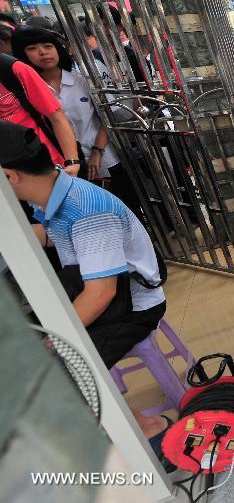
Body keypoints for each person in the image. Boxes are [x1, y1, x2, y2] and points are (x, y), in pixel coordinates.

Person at [0, 121, 172, 452]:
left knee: (52, 373)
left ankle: (149, 429)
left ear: (9, 177)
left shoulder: (86, 211)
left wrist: (52, 341)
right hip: (101, 294)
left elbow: (101, 294)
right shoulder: (53, 195)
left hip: (133, 308)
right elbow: (56, 236)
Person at [12, 27, 140, 215]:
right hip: (66, 169)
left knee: (125, 209)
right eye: (32, 48)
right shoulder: (26, 93)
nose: (43, 52)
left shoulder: (83, 81)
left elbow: (106, 116)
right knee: (90, 214)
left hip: (105, 158)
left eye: (48, 46)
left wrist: (97, 151)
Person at [0, 47, 80, 175]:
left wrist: (72, 162)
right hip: (8, 177)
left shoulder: (13, 69)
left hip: (45, 166)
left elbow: (56, 117)